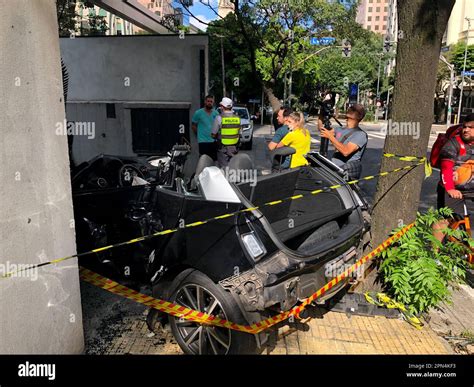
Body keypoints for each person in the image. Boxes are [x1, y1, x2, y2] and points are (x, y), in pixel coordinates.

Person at [433, 113, 474, 243]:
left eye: (471, 127)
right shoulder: (453, 144)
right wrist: (450, 189)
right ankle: (434, 255)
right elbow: (446, 168)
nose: (466, 130)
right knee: (444, 220)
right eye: (465, 126)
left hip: (471, 187)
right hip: (451, 187)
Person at [319, 104, 368, 180]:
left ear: (359, 116)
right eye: (351, 107)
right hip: (335, 169)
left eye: (354, 109)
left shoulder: (360, 135)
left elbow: (346, 151)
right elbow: (323, 131)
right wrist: (321, 117)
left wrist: (330, 137)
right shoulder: (340, 129)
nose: (351, 108)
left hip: (347, 172)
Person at [212, 97, 241, 167]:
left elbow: (213, 134)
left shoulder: (219, 118)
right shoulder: (237, 118)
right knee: (233, 167)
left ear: (222, 107)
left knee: (224, 168)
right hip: (234, 148)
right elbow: (239, 133)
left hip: (222, 148)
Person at [191, 95, 219, 160]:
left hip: (213, 142)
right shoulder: (198, 113)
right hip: (203, 141)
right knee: (203, 161)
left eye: (211, 101)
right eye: (208, 101)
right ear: (205, 102)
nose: (209, 103)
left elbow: (218, 127)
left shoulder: (216, 113)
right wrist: (199, 134)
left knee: (213, 161)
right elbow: (193, 125)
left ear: (213, 102)